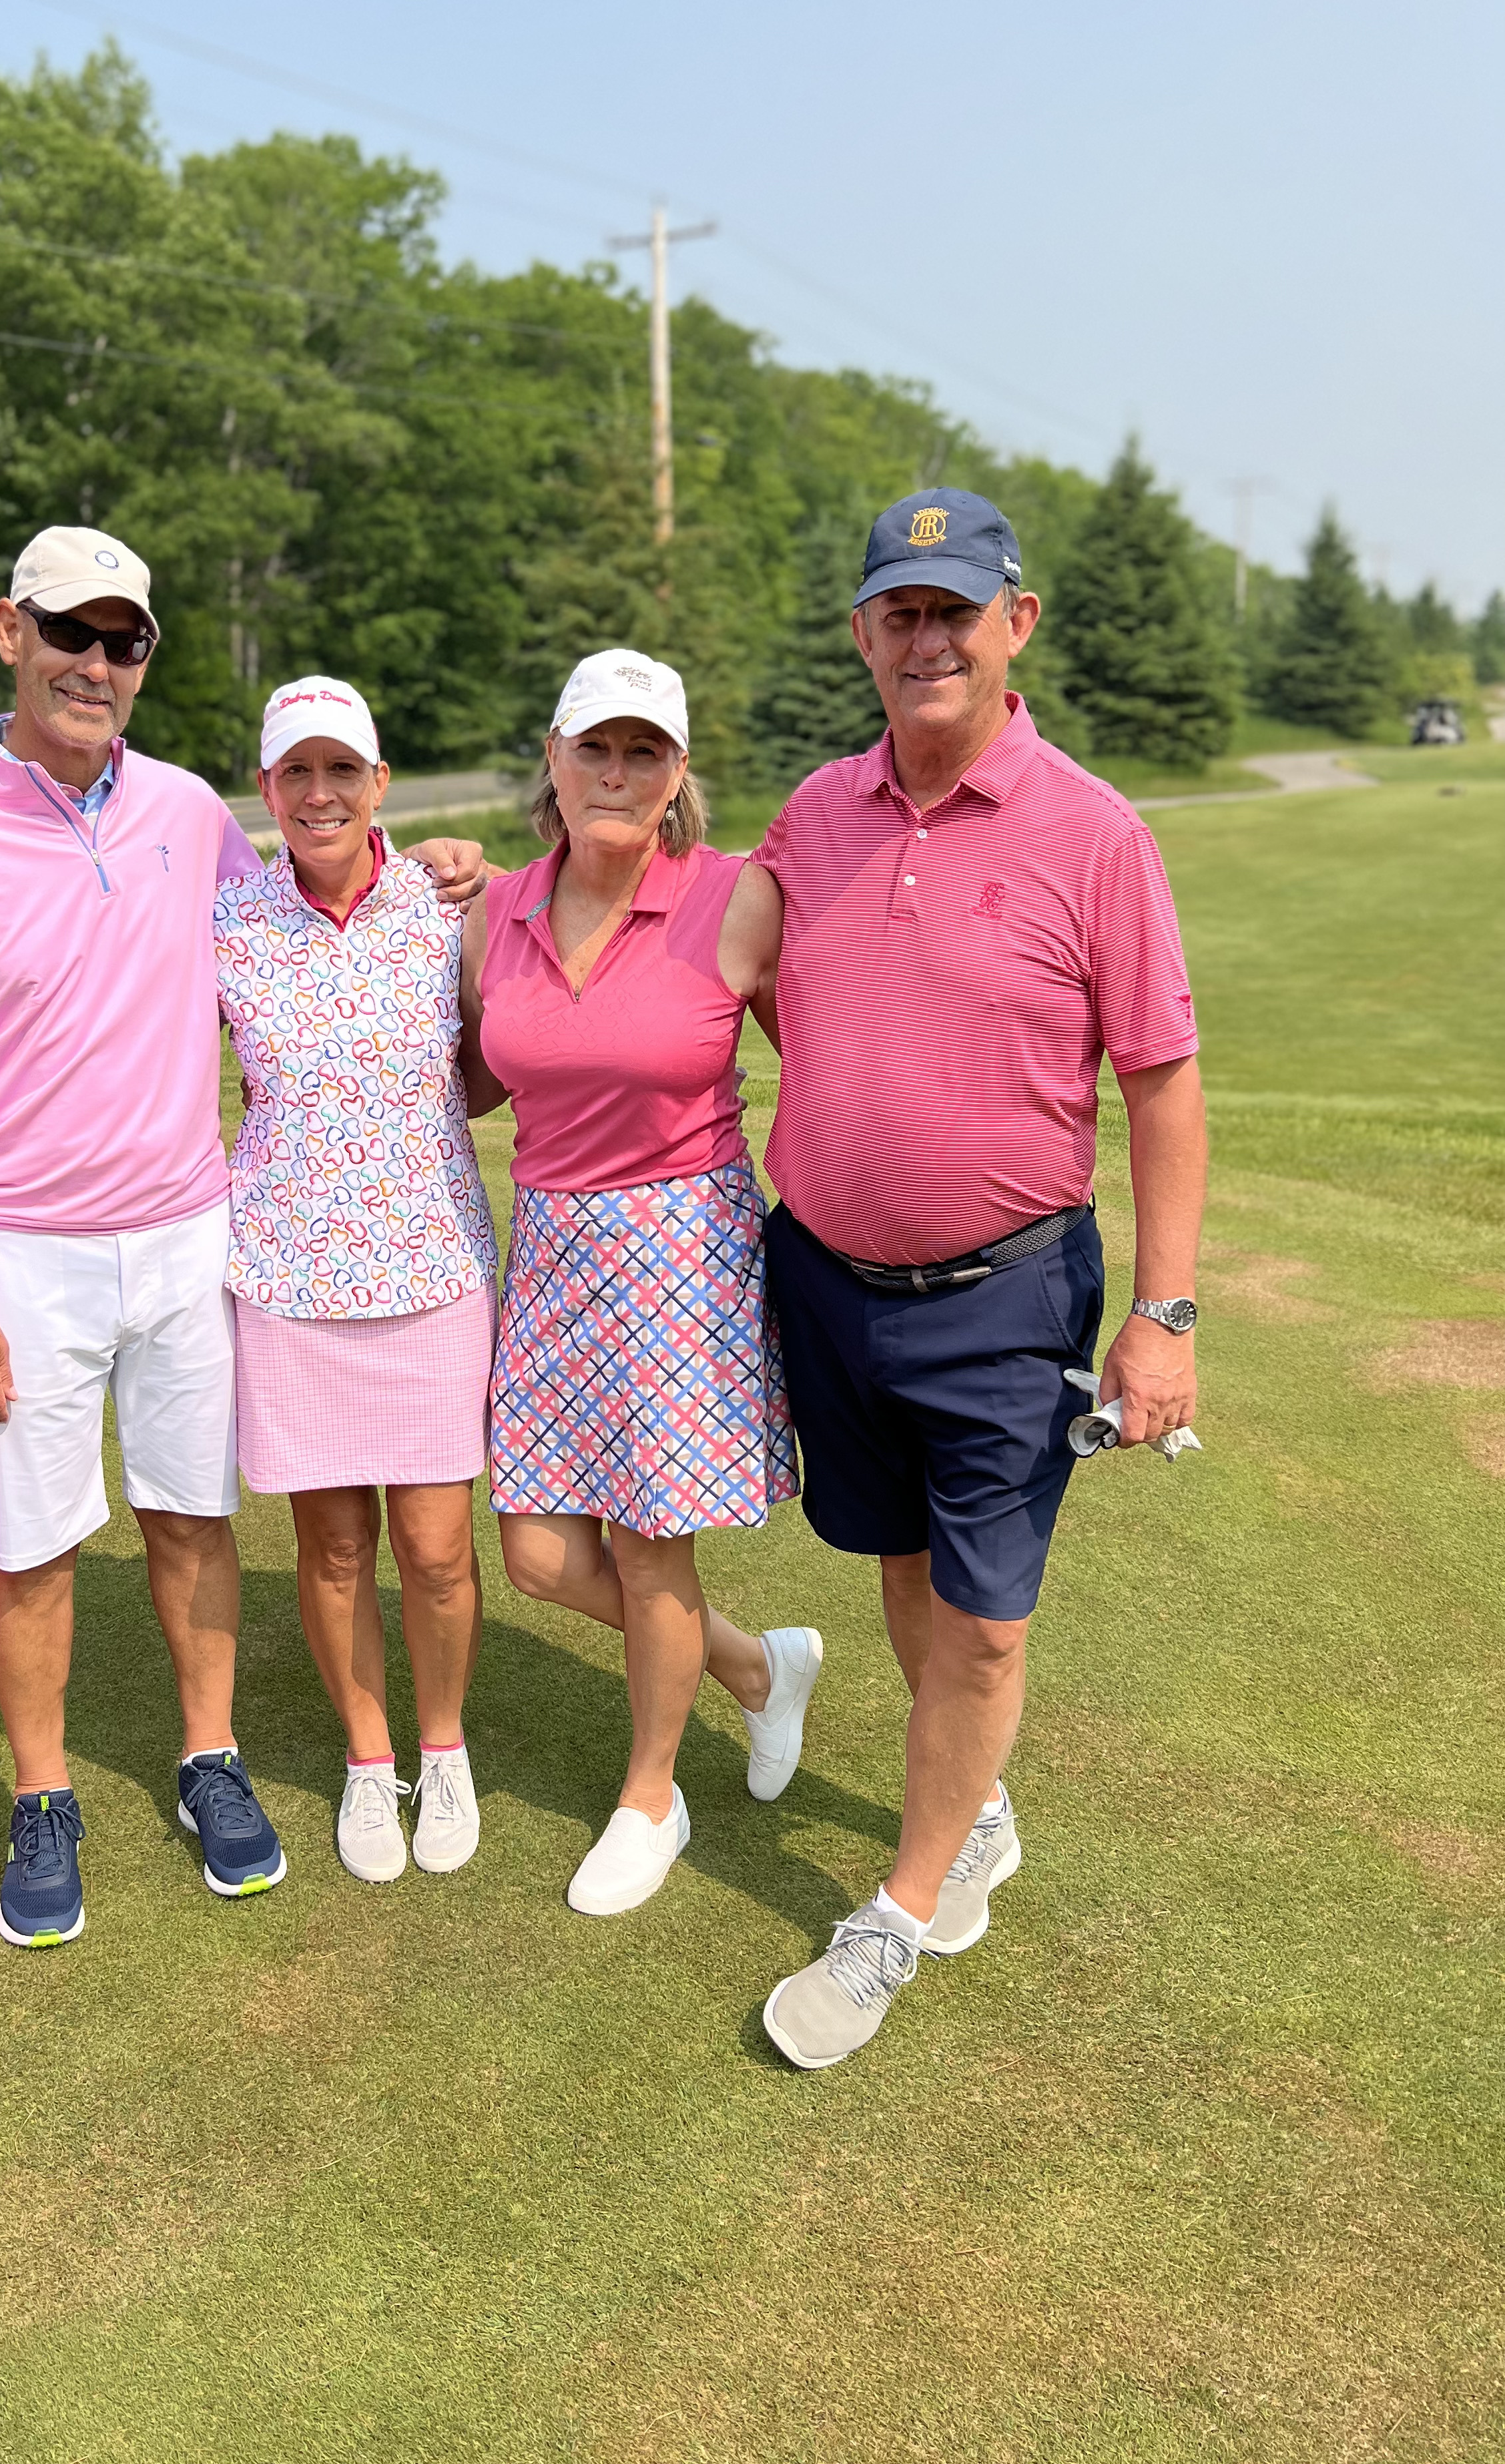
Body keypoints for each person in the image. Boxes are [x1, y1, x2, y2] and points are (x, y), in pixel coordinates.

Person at [0, 529, 486, 1948]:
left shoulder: (189, 813)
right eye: (69, 632)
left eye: (124, 639)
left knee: (191, 1518)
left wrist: (437, 864)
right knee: (32, 1542)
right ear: (10, 632)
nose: (96, 663)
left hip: (192, 1232)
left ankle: (211, 1760)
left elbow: (310, 909)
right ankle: (43, 1797)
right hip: (17, 1251)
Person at [754, 488, 1205, 2068]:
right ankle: (977, 1807)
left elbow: (1162, 1082)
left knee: (987, 1622)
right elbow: (711, 953)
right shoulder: (814, 815)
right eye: (902, 611)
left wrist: (1164, 1316)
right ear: (864, 635)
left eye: (955, 609)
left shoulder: (1096, 832)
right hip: (826, 1281)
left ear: (1016, 623)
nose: (927, 637)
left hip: (1007, 1299)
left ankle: (900, 1908)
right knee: (900, 1567)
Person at [462, 650, 822, 1917]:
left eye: (644, 752)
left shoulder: (735, 898)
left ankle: (651, 1797)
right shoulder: (495, 911)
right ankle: (757, 1668)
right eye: (595, 749)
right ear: (553, 762)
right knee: (537, 1555)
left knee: (647, 1542)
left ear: (677, 775)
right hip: (554, 1250)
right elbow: (484, 1079)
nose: (616, 773)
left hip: (683, 1250)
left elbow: (825, 1066)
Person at [214, 677, 499, 1885]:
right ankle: (369, 1761)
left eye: (343, 770)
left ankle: (444, 1749)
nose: (320, 793)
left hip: (432, 1266)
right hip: (288, 1276)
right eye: (297, 772)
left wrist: (406, 1114)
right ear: (267, 787)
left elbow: (494, 1058)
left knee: (436, 1548)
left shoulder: (443, 907)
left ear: (381, 783)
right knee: (333, 1550)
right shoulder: (229, 919)